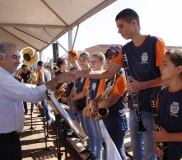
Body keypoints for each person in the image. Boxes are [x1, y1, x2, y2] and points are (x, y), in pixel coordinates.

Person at [70, 8, 167, 160]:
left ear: (133, 23)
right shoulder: (126, 49)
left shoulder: (155, 42)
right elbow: (107, 73)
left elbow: (167, 77)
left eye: (121, 26)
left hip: (152, 107)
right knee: (137, 151)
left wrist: (142, 85)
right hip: (135, 109)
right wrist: (79, 73)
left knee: (150, 153)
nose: (118, 31)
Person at [0, 42, 74, 160]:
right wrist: (58, 79)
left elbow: (27, 88)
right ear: (1, 58)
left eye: (19, 57)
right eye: (14, 57)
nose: (19, 62)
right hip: (3, 140)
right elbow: (34, 95)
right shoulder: (2, 79)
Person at [90, 46, 128, 160]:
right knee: (108, 148)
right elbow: (101, 95)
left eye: (111, 57)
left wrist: (95, 107)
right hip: (107, 117)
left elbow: (111, 100)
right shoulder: (109, 76)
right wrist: (93, 101)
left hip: (116, 119)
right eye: (107, 57)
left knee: (117, 151)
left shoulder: (122, 76)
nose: (108, 60)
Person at [71, 52, 96, 160]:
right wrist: (75, 103)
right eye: (80, 60)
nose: (81, 62)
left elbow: (85, 93)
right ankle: (89, 147)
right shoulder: (81, 74)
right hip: (80, 105)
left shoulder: (90, 74)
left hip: (86, 106)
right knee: (85, 129)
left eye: (84, 60)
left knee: (90, 130)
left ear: (89, 61)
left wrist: (72, 99)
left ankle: (93, 151)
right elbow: (78, 90)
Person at [37, 61, 56, 125]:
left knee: (45, 104)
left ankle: (49, 118)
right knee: (45, 103)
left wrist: (37, 85)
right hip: (47, 88)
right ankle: (46, 116)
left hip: (44, 88)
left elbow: (41, 80)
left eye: (37, 66)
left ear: (38, 65)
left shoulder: (41, 71)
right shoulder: (46, 71)